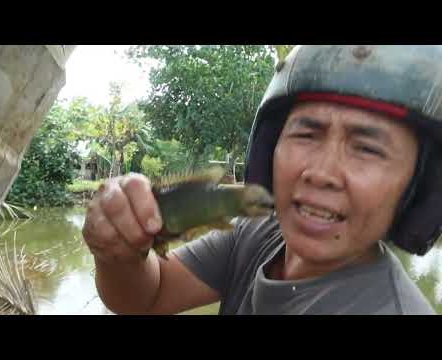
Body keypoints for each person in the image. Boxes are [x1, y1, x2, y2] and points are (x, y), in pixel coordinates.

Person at [82, 45, 442, 315]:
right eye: (307, 134)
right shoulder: (259, 234)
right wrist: (119, 253)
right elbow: (151, 295)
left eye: (367, 149)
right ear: (271, 148)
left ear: (415, 186)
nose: (321, 172)